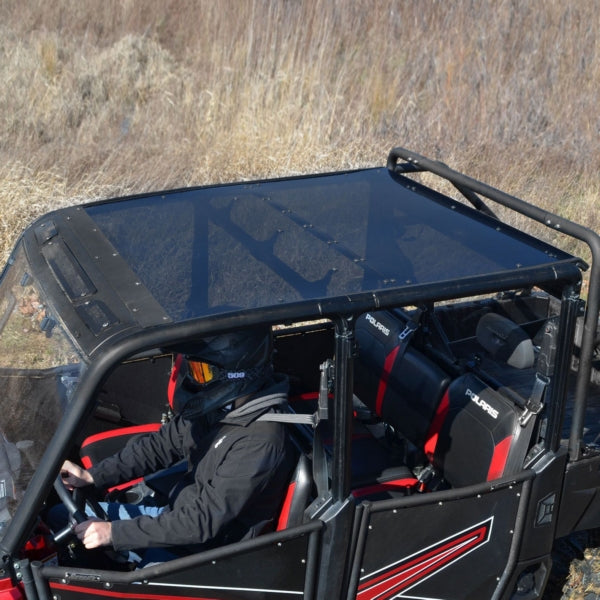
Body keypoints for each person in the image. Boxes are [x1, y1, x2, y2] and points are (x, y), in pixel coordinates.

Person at [55, 325, 296, 565]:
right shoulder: (222, 409)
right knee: (59, 517)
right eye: (191, 370)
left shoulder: (261, 440)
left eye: (203, 373)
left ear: (237, 375)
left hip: (208, 551)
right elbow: (160, 445)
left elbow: (204, 521)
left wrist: (113, 533)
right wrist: (91, 477)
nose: (194, 381)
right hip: (177, 516)